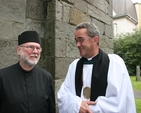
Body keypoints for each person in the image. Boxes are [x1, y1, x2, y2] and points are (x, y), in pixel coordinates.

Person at [57, 22, 136, 113]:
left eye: (81, 40)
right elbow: (62, 95)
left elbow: (120, 101)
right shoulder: (74, 66)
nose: (77, 45)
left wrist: (88, 109)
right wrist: (77, 105)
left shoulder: (115, 63)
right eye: (76, 41)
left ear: (95, 40)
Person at [0, 31, 55, 113]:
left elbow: (51, 108)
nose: (35, 51)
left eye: (38, 48)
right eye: (30, 47)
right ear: (18, 50)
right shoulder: (2, 77)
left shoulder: (46, 77)